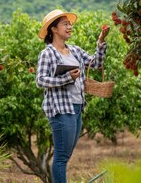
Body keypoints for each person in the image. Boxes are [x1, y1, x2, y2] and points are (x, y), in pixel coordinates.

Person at [35, 9, 109, 183]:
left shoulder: (74, 51)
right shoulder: (48, 53)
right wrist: (66, 78)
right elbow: (40, 80)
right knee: (61, 157)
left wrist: (101, 41)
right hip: (61, 110)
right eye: (65, 24)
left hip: (77, 108)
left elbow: (96, 63)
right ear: (53, 29)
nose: (70, 27)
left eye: (70, 24)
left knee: (65, 156)